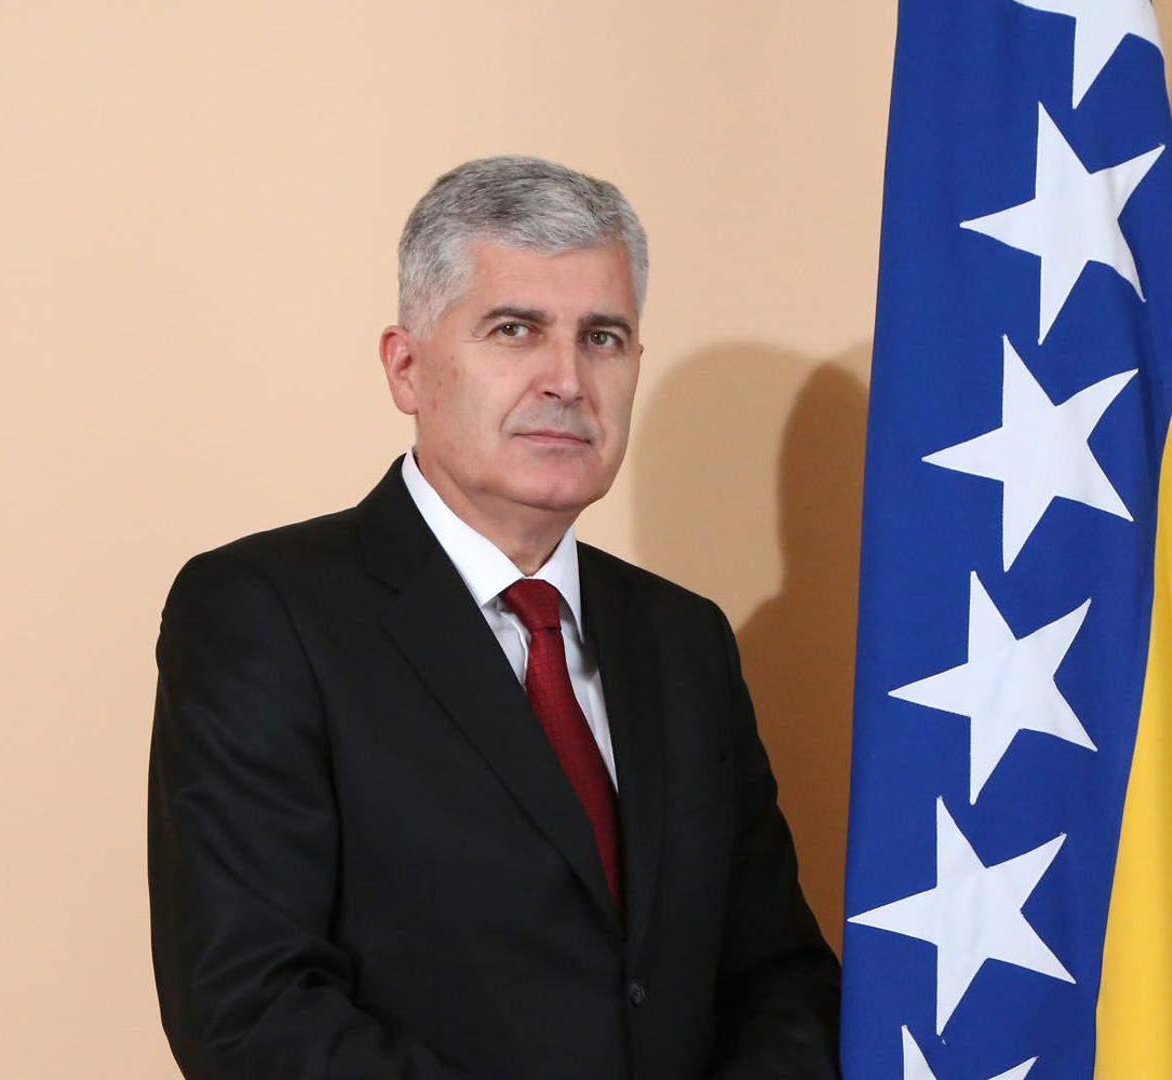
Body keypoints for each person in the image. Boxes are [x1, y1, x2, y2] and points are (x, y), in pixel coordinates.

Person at [147, 155, 841, 1078]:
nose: (567, 380)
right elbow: (249, 1008)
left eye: (602, 337)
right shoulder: (265, 614)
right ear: (406, 368)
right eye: (516, 330)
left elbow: (780, 979)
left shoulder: (686, 641)